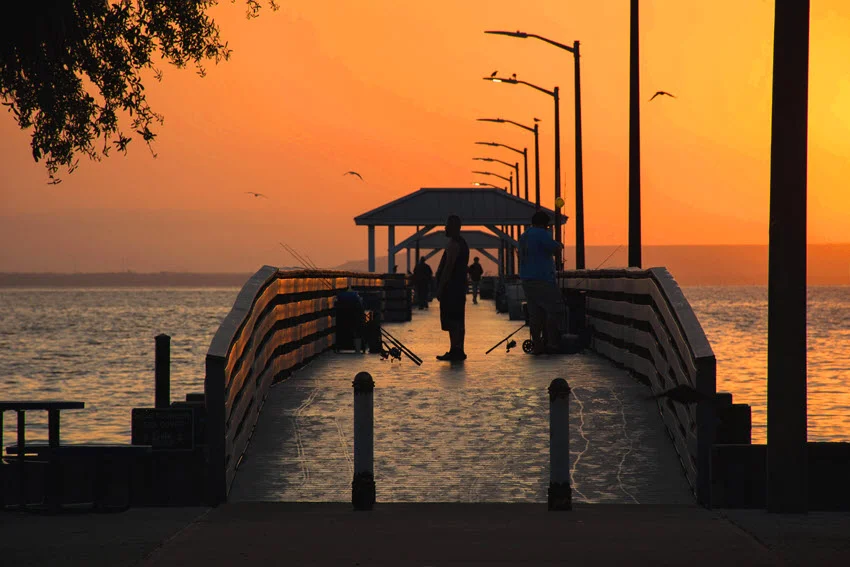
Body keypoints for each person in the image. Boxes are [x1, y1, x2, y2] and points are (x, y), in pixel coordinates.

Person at [518, 211, 566, 354]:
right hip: (543, 278)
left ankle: (538, 345)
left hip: (527, 279)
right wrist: (559, 245)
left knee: (535, 315)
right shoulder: (541, 233)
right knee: (555, 310)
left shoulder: (524, 236)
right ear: (544, 224)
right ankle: (552, 343)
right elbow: (556, 248)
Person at [435, 214, 469, 361]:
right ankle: (458, 349)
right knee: (458, 319)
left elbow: (448, 268)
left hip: (452, 289)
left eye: (447, 225)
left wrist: (440, 287)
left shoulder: (454, 244)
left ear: (454, 227)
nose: (445, 228)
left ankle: (455, 349)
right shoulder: (463, 243)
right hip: (459, 287)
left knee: (452, 320)